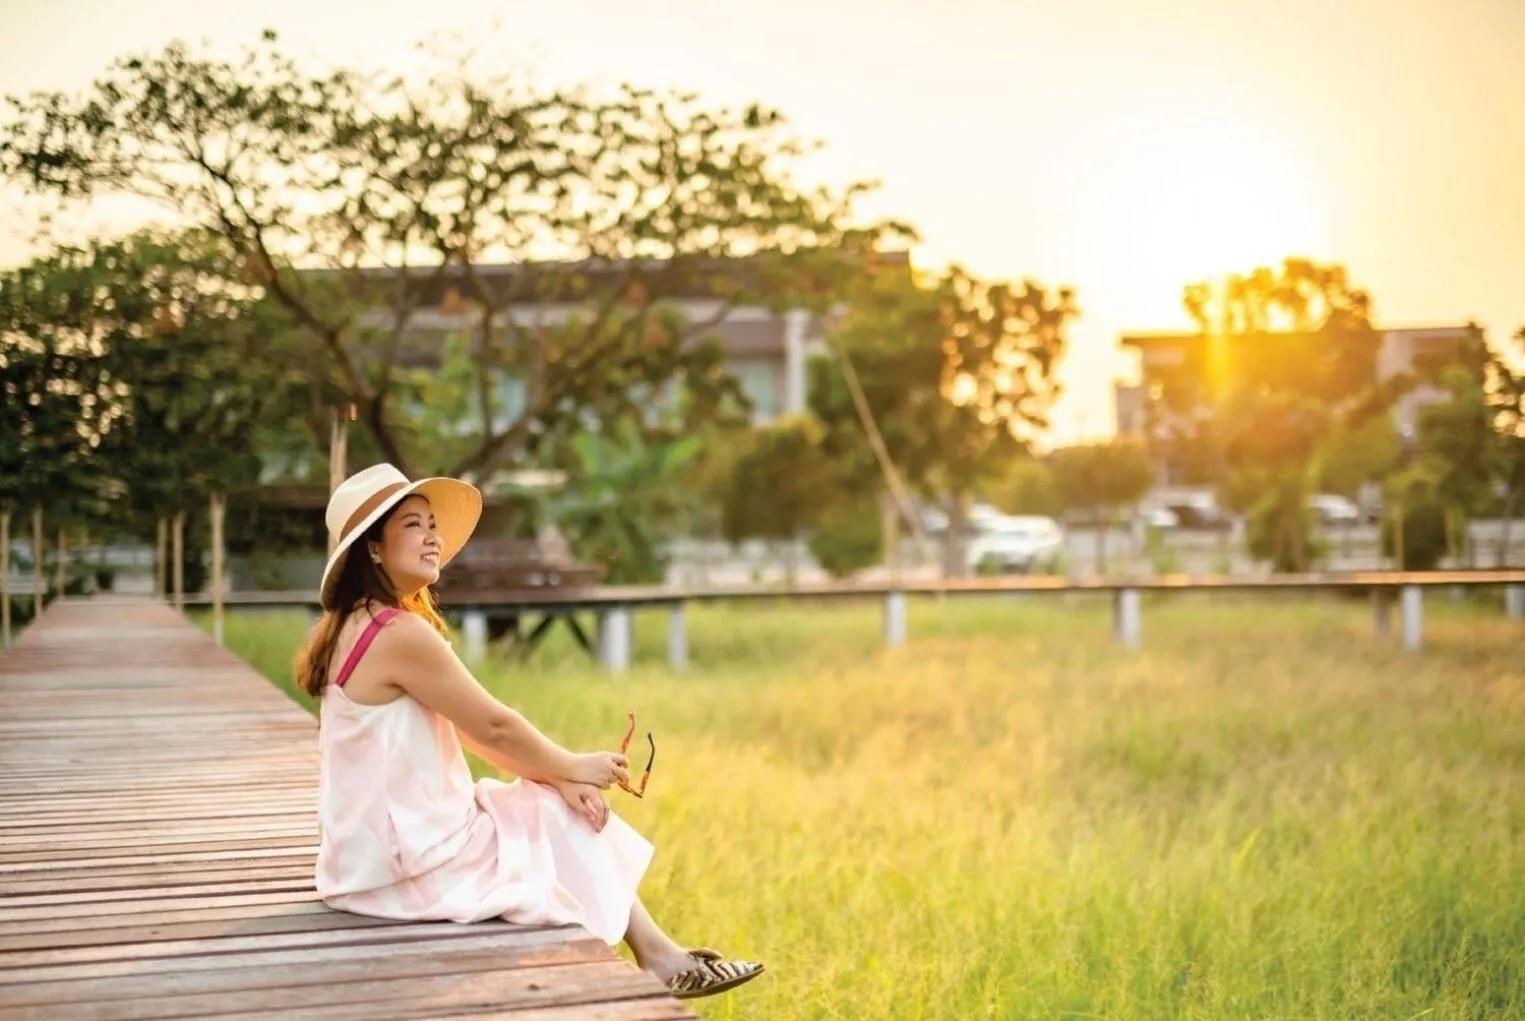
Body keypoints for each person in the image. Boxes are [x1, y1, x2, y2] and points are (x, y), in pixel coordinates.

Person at [294, 463, 765, 1001]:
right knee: (551, 812)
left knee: (542, 803)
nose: (432, 536)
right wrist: (574, 766)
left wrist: (558, 778)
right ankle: (657, 958)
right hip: (404, 866)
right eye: (412, 525)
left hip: (365, 858)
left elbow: (472, 732)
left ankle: (657, 952)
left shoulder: (359, 623)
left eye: (432, 524)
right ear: (373, 549)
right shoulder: (397, 633)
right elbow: (494, 724)